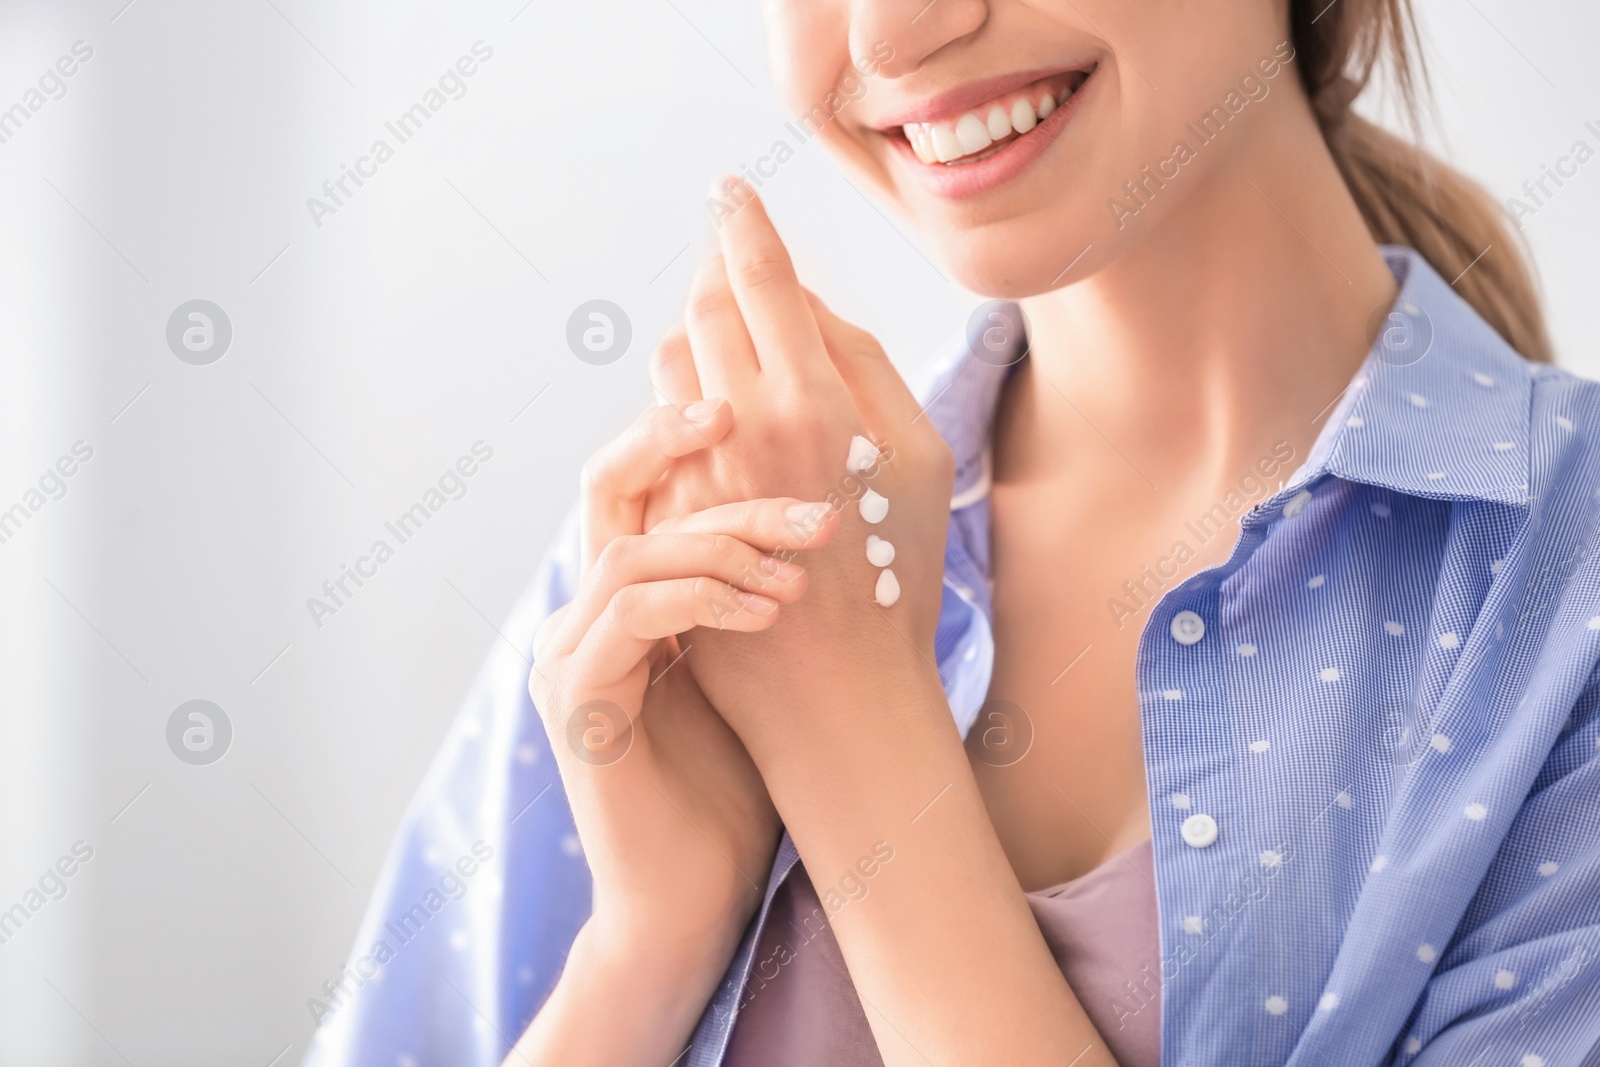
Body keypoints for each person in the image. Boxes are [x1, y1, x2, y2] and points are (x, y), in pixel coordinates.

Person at [305, 0, 1600, 1064]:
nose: (888, 36)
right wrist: (646, 943)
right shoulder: (690, 549)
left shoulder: (1563, 602)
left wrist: (857, 750)